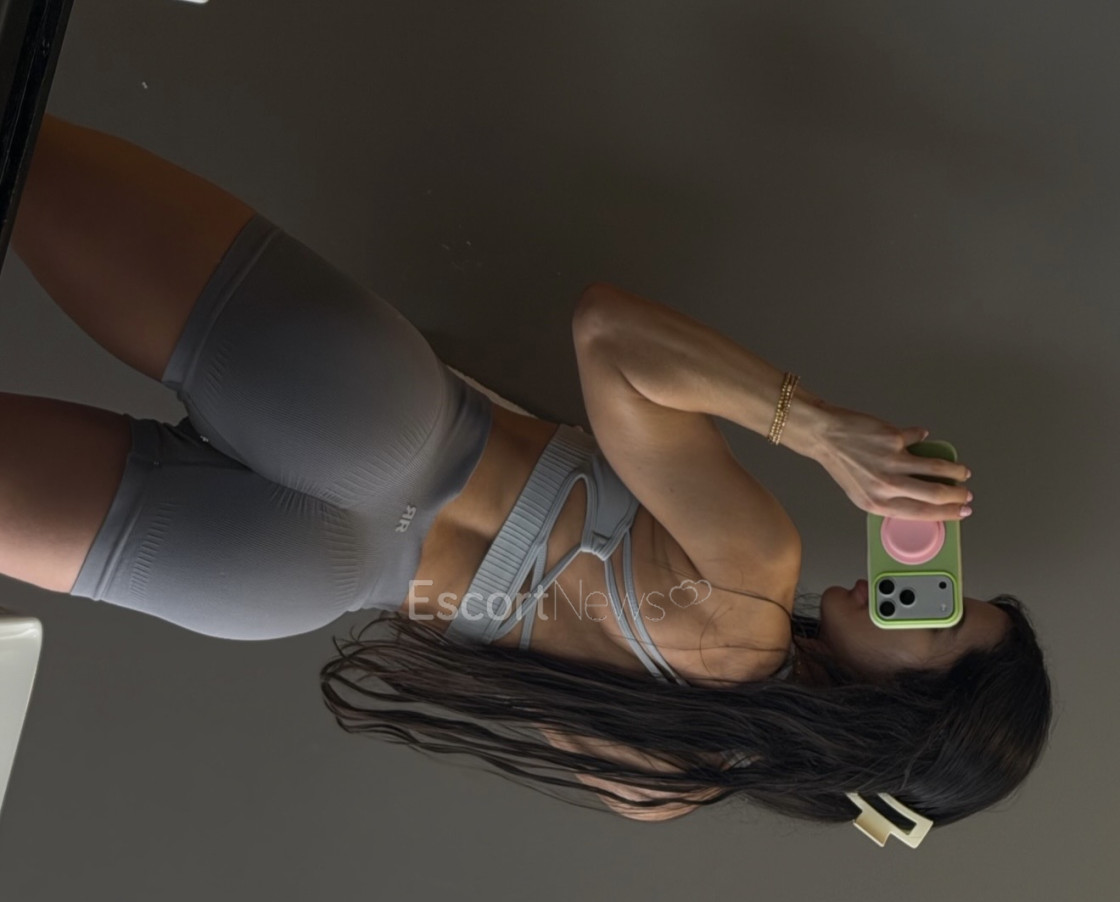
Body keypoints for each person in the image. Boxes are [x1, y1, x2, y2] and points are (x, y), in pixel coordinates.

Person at [4, 114, 1053, 838]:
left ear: (906, 712)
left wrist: (818, 429)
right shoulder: (666, 783)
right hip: (290, 580)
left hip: (377, 417)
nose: (916, 586)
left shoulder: (757, 568)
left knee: (22, 149)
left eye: (937, 618)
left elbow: (609, 335)